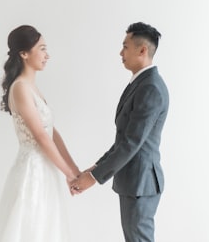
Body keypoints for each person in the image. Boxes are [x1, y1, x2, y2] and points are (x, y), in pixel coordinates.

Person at [70, 22, 169, 242]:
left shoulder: (150, 87)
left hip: (141, 183)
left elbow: (131, 143)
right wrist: (95, 168)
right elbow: (125, 139)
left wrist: (94, 177)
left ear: (142, 50)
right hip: (134, 182)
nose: (120, 52)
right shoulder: (141, 83)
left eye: (125, 46)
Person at [0, 25, 80, 242]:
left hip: (46, 167)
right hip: (33, 170)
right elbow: (40, 136)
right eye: (41, 49)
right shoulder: (20, 87)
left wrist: (74, 169)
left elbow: (52, 132)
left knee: (47, 228)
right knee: (33, 228)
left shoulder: (32, 87)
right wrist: (68, 173)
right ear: (24, 53)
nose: (47, 55)